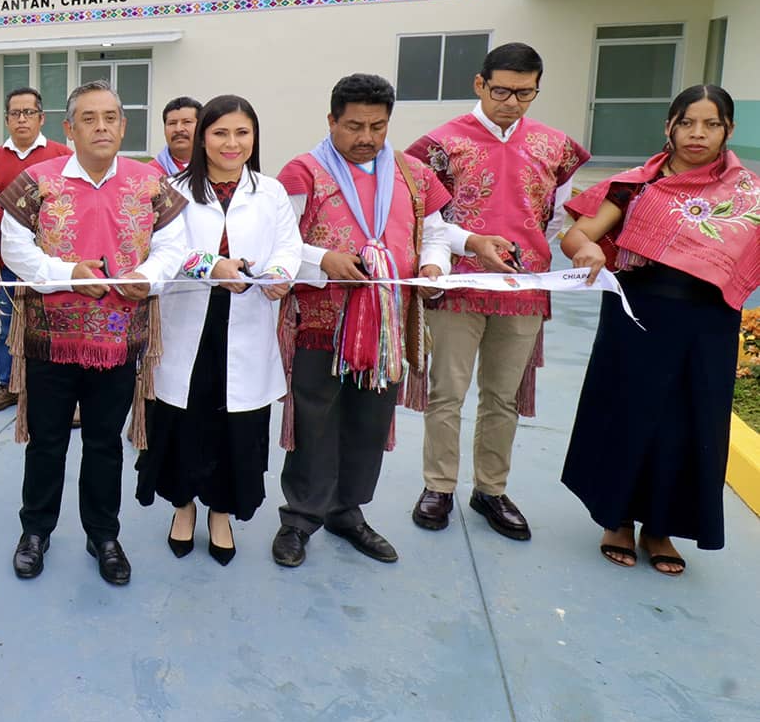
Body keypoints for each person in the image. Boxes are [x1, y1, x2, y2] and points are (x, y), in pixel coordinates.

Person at [271, 74, 511, 569]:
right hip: (323, 323)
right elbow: (279, 247)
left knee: (369, 420)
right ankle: (299, 518)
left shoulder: (412, 173)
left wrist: (433, 266)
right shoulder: (303, 173)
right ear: (331, 121)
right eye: (354, 125)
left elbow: (436, 234)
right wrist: (322, 259)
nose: (366, 137)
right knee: (314, 419)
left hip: (387, 327)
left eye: (377, 126)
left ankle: (347, 511)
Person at [560, 84, 759, 575]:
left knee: (688, 423)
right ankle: (617, 520)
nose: (698, 134)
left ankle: (661, 529)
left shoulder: (748, 194)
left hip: (709, 324)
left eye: (712, 124)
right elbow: (579, 234)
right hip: (638, 315)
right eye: (688, 122)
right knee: (628, 413)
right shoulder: (636, 186)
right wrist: (584, 249)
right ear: (669, 125)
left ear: (729, 130)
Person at [0, 81, 187, 586]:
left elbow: (174, 247)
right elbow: (13, 248)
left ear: (124, 126)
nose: (101, 126)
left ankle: (103, 534)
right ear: (69, 128)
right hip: (51, 339)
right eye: (89, 118)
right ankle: (35, 530)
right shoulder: (36, 181)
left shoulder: (150, 183)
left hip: (120, 339)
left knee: (105, 444)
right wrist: (66, 275)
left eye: (110, 117)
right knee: (46, 442)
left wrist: (148, 276)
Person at [405, 42, 589, 540]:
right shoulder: (438, 147)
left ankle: (491, 488)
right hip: (458, 285)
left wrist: (544, 261)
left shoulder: (556, 147)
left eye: (524, 93)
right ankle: (438, 486)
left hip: (524, 287)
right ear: (479, 84)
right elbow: (425, 218)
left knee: (502, 397)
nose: (511, 102)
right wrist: (461, 251)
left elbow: (553, 218)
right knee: (447, 393)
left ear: (536, 90)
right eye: (502, 90)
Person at [135, 95, 301, 565]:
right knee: (185, 421)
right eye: (220, 133)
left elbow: (288, 248)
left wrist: (280, 274)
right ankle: (183, 507)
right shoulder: (173, 189)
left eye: (242, 133)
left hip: (248, 323)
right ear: (203, 136)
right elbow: (162, 249)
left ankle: (221, 513)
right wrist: (211, 264)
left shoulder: (270, 192)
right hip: (190, 325)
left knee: (238, 426)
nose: (231, 143)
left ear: (254, 138)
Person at [0, 87, 71, 414]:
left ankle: (62, 393)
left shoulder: (62, 157)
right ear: (6, 120)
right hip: (5, 261)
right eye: (15, 113)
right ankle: (9, 385)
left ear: (41, 118)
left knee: (56, 323)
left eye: (28, 113)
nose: (21, 119)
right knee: (7, 325)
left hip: (53, 263)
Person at [155, 97, 203, 177]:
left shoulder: (217, 169)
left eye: (187, 122)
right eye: (172, 123)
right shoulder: (150, 172)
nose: (178, 129)